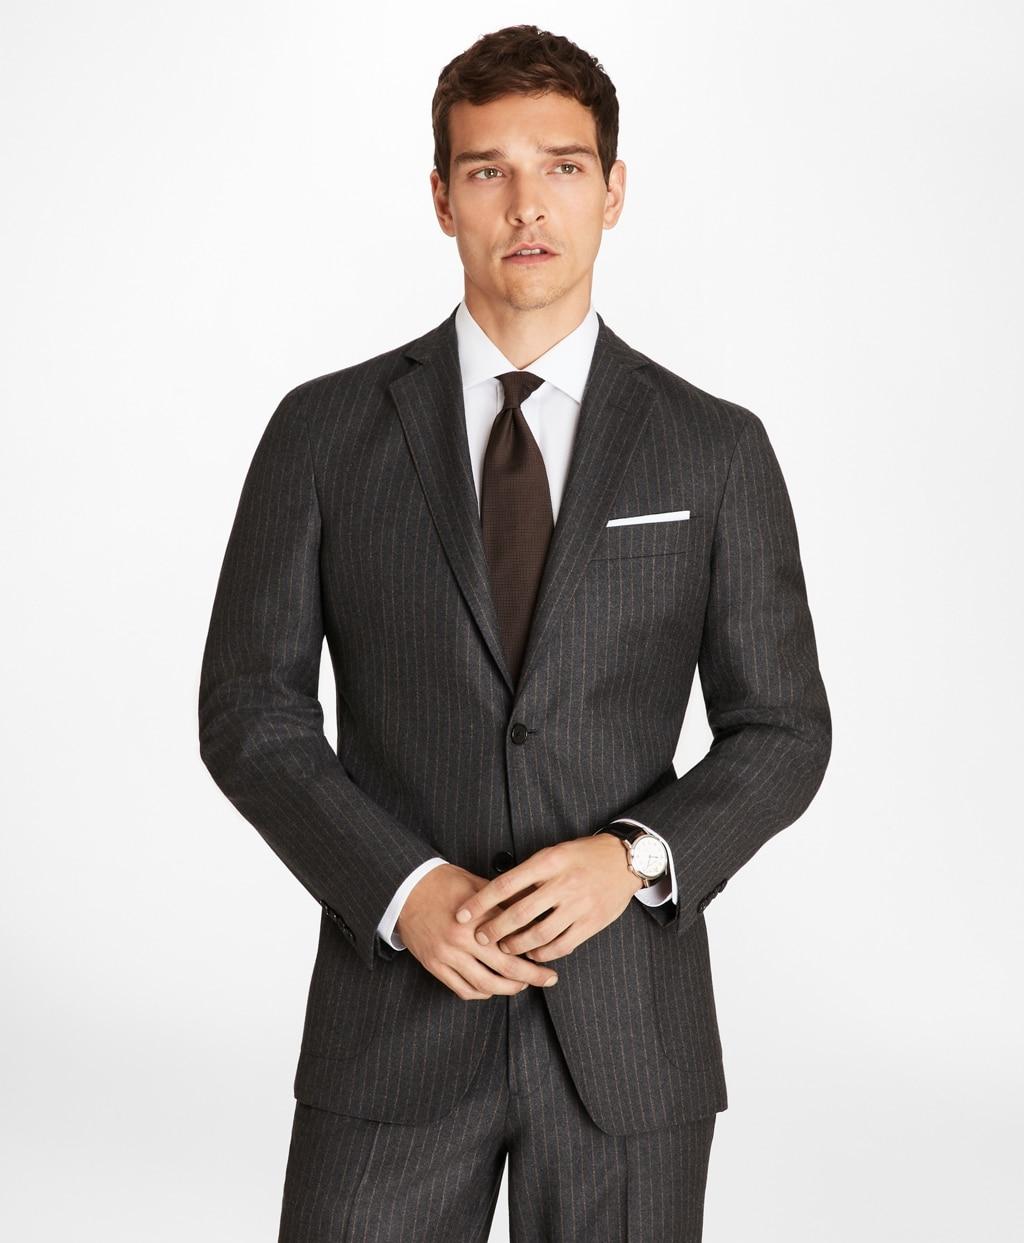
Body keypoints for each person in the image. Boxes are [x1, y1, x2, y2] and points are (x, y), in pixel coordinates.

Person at [198, 23, 831, 1242]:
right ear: (442, 198)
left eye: (563, 167)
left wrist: (631, 858)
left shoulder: (714, 447)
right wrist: (401, 888)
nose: (527, 205)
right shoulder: (323, 433)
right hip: (392, 1021)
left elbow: (784, 729)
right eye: (488, 170)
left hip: (626, 1039)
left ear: (613, 190)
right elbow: (251, 711)